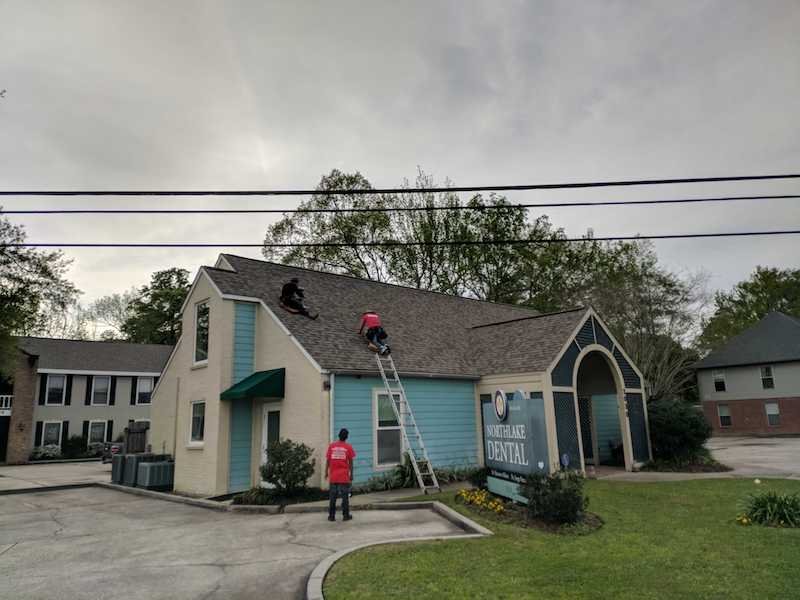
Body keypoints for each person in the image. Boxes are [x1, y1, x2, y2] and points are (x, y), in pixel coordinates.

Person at [325, 428, 356, 522]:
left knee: (332, 497)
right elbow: (350, 462)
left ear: (338, 435)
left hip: (333, 476)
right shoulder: (348, 447)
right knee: (345, 497)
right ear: (346, 437)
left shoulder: (331, 446)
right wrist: (351, 474)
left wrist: (326, 472)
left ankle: (331, 516)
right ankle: (345, 515)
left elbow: (328, 460)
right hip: (343, 476)